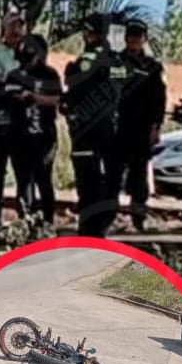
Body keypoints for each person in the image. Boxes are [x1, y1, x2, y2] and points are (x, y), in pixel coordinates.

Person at [63, 13, 126, 237]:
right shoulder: (118, 61)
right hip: (112, 129)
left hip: (88, 130)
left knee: (88, 181)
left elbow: (75, 90)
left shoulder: (87, 60)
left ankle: (89, 229)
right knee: (109, 182)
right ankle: (103, 224)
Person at [110, 20, 166, 232]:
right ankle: (110, 215)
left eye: (138, 36)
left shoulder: (153, 67)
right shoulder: (115, 62)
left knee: (139, 175)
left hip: (142, 128)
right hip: (117, 127)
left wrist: (156, 126)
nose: (134, 40)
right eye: (131, 35)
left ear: (144, 39)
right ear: (126, 38)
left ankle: (138, 218)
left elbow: (159, 100)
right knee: (113, 174)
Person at [7, 33, 62, 231]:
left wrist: (34, 97)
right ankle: (26, 221)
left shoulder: (50, 74)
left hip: (44, 137)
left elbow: (57, 99)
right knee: (23, 181)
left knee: (43, 178)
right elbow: (8, 97)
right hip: (19, 136)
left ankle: (47, 222)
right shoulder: (14, 75)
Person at [0, 11, 27, 230]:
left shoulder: (27, 53)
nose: (16, 31)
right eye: (12, 27)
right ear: (4, 30)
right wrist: (12, 89)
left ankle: (25, 217)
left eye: (19, 27)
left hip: (22, 122)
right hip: (0, 121)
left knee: (23, 171)